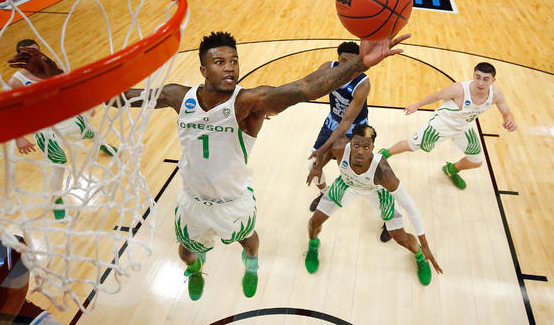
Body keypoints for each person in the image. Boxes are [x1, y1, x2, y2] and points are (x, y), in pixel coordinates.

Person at [106, 30, 409, 301]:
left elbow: (306, 87)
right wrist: (84, 88)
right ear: (203, 69)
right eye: (219, 62)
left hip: (234, 201)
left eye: (234, 61)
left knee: (249, 242)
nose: (229, 67)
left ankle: (251, 264)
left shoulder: (249, 101)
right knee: (186, 253)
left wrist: (361, 64)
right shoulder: (178, 95)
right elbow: (130, 98)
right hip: (192, 201)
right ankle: (196, 269)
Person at [305, 124, 443, 285]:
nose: (360, 151)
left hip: (376, 191)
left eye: (366, 147)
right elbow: (328, 152)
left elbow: (410, 207)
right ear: (351, 142)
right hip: (347, 184)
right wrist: (318, 167)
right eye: (356, 145)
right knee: (314, 222)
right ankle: (314, 245)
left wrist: (425, 245)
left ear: (372, 148)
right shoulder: (340, 147)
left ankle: (420, 256)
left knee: (400, 237)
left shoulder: (383, 172)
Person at [6, 39, 117, 219]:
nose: (36, 56)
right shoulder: (15, 82)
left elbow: (71, 89)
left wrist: (86, 104)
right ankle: (57, 201)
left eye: (37, 51)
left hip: (68, 117)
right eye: (30, 53)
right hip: (44, 128)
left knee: (91, 133)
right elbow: (8, 112)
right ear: (21, 56)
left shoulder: (52, 69)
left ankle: (103, 145)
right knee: (59, 164)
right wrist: (18, 138)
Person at [379, 62, 516, 191]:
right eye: (477, 77)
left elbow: (506, 112)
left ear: (493, 80)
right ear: (473, 75)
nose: (480, 82)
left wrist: (510, 120)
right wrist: (417, 105)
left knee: (476, 161)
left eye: (486, 79)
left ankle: (451, 169)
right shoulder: (459, 89)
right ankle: (384, 154)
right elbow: (437, 96)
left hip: (463, 127)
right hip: (441, 125)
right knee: (411, 146)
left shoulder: (496, 94)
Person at [306, 42, 370, 212]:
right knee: (313, 165)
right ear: (338, 58)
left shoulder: (362, 83)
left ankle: (385, 210)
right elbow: (305, 85)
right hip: (333, 121)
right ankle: (325, 194)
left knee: (357, 176)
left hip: (355, 129)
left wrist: (323, 149)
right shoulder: (328, 68)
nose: (345, 67)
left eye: (350, 63)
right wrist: (277, 105)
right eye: (342, 61)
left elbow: (346, 122)